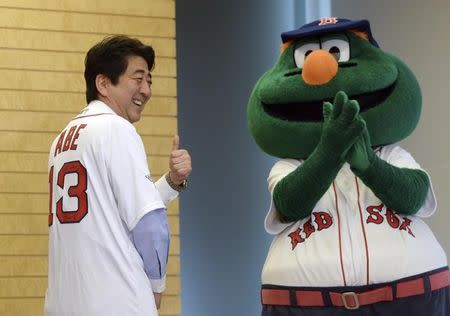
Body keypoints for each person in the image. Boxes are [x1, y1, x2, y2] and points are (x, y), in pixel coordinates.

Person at [44, 35, 192, 316]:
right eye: (138, 78)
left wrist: (172, 182)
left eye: (149, 80)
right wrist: (156, 286)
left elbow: (111, 213)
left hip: (64, 304)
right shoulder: (117, 129)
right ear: (103, 83)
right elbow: (149, 223)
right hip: (117, 302)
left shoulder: (62, 140)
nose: (146, 90)